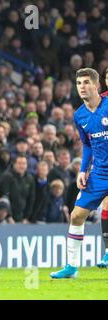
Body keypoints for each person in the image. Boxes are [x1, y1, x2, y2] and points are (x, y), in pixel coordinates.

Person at [51, 68, 108, 278]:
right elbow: (87, 145)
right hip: (99, 174)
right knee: (76, 216)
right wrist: (83, 170)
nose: (82, 86)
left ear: (97, 85)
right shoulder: (79, 115)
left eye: (86, 82)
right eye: (79, 83)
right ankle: (72, 267)